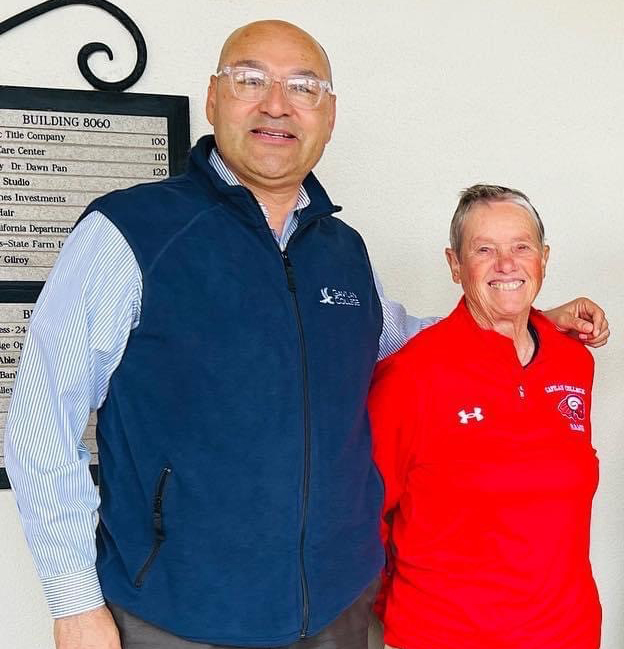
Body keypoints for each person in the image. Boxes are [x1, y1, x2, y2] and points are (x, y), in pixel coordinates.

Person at [4, 21, 607, 649]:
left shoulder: (341, 249)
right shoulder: (130, 233)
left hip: (336, 608)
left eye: (303, 87)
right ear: (213, 97)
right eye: (250, 80)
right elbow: (41, 415)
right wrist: (72, 599)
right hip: (182, 612)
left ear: (330, 114)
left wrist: (520, 315)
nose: (276, 104)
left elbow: (390, 337)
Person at [368, 184, 602, 649]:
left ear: (544, 258)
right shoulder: (410, 375)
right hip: (446, 634)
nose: (507, 264)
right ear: (455, 265)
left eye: (521, 247)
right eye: (484, 250)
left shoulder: (574, 361)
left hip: (569, 633)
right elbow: (365, 518)